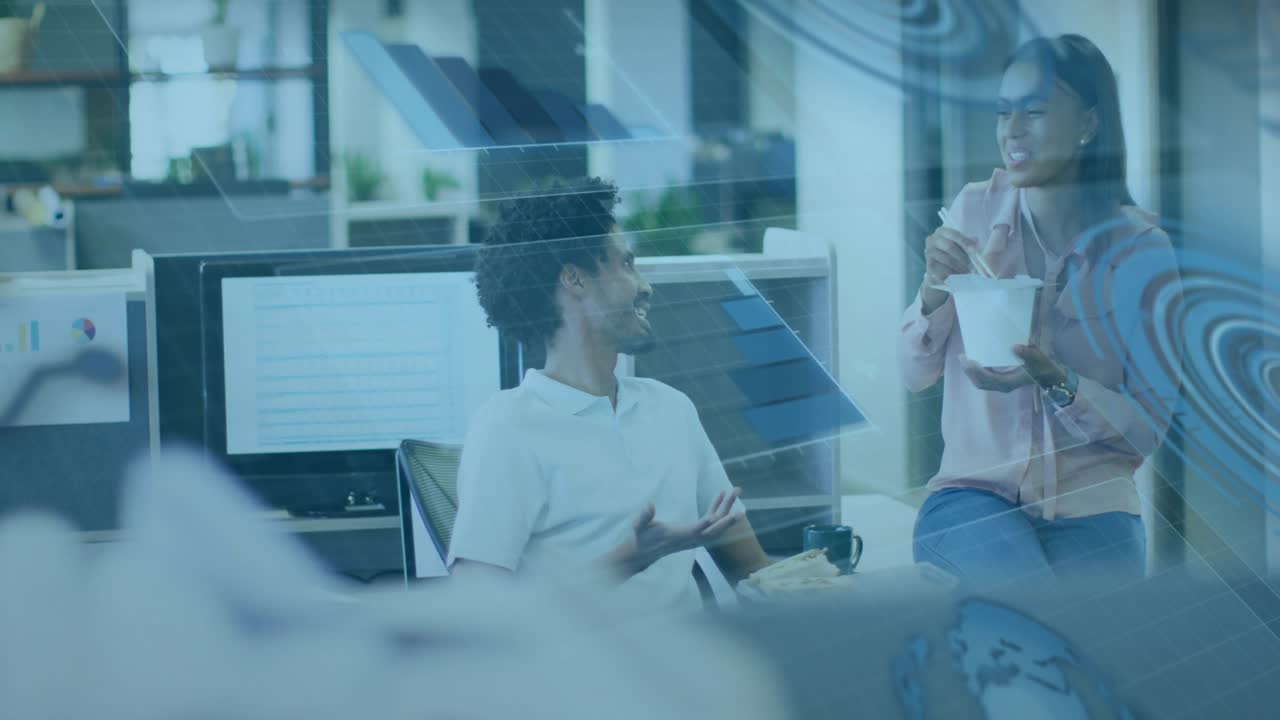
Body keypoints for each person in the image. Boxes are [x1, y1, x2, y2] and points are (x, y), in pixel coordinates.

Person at [900, 35, 1179, 586]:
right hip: (971, 495)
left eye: (1035, 111)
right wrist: (934, 287)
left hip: (1095, 504)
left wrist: (1059, 381)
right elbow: (914, 373)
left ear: (1088, 125)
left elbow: (1147, 429)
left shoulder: (1141, 250)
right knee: (1034, 610)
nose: (1012, 130)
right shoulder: (973, 212)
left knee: (1101, 649)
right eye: (1004, 112)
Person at [447, 177, 772, 611]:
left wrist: (823, 589)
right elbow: (476, 606)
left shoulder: (670, 408)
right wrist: (630, 558)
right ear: (575, 279)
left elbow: (753, 570)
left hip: (693, 663)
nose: (645, 285)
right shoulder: (507, 425)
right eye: (627, 264)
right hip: (584, 672)